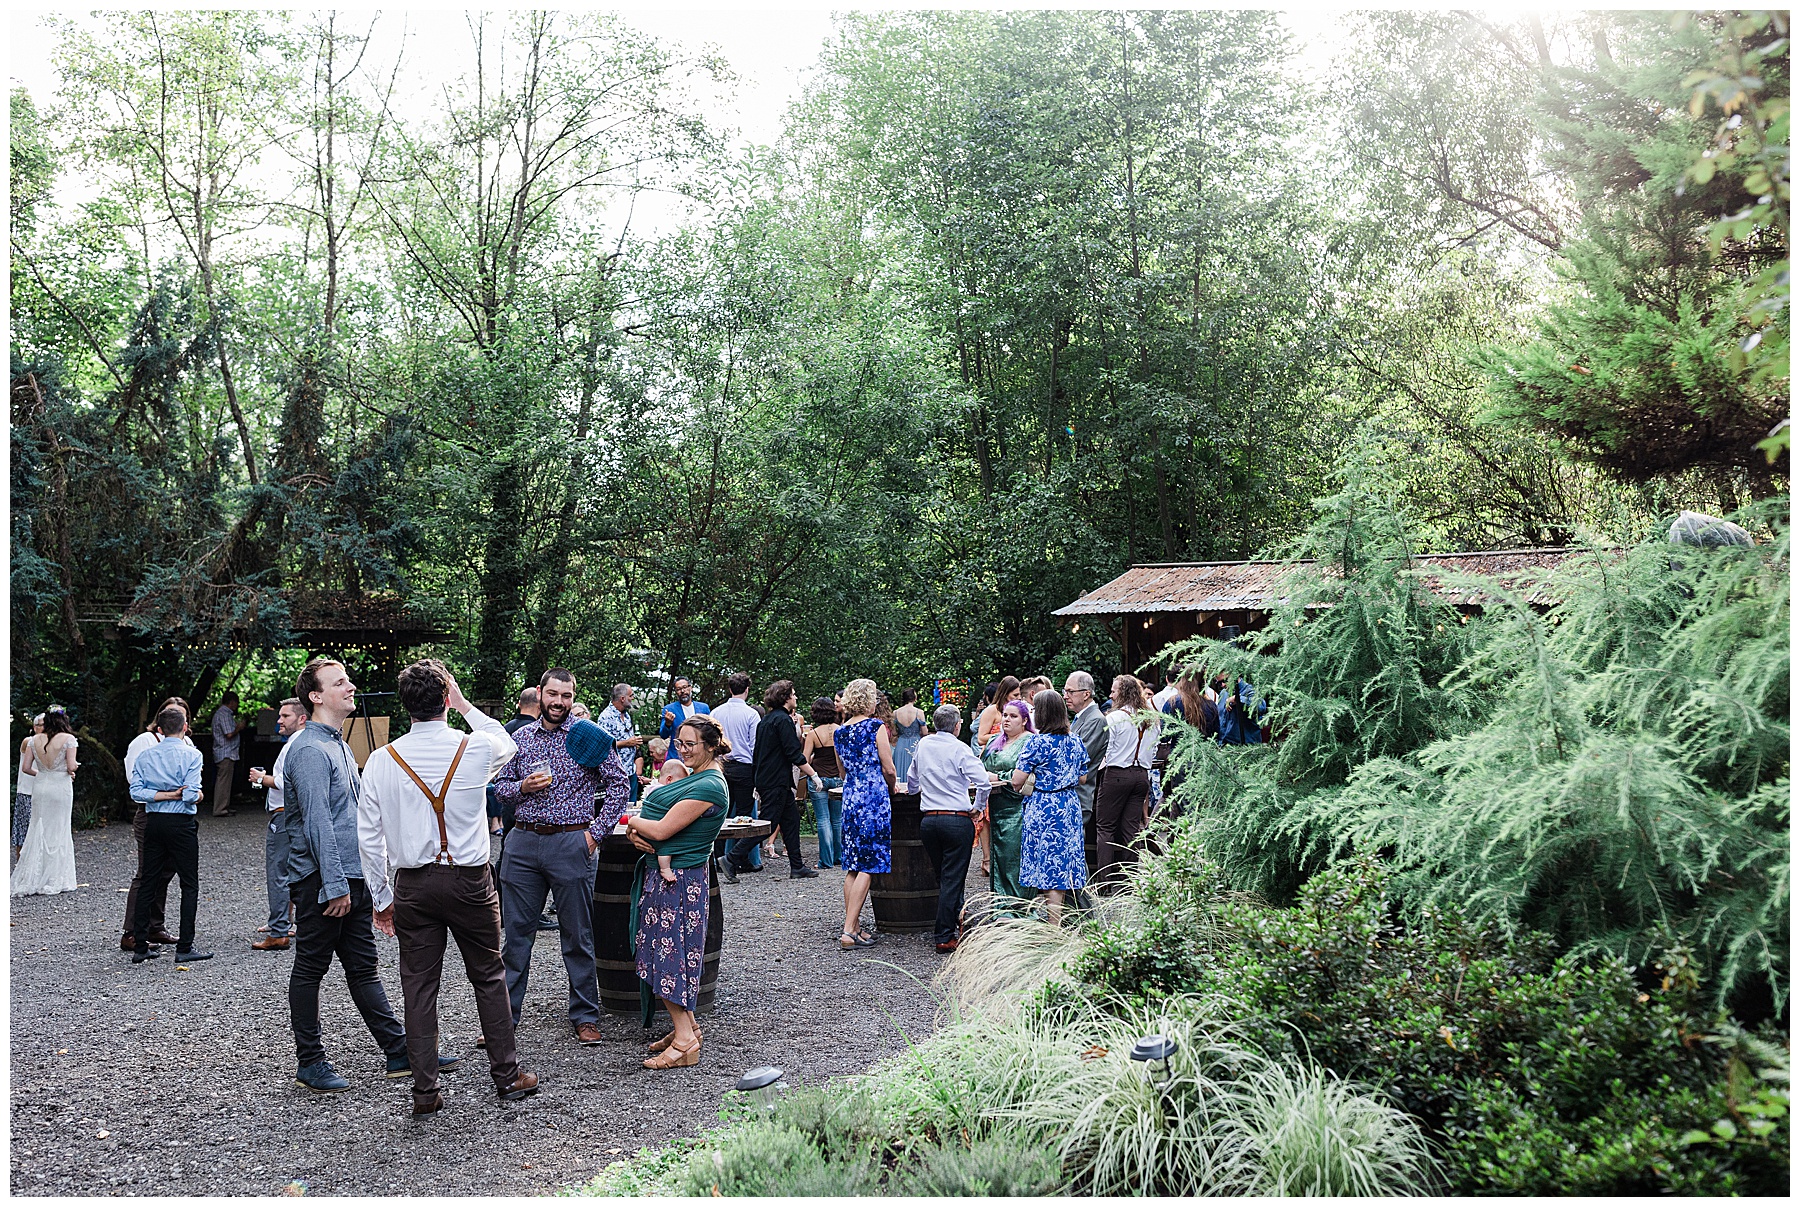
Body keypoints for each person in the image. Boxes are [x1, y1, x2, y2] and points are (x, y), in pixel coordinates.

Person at [359, 659, 538, 1113]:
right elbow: (506, 742)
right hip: (469, 882)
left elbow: (368, 837)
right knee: (489, 975)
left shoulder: (381, 760)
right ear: (444, 699)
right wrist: (464, 704)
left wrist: (382, 899)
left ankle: (424, 1092)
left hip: (413, 886)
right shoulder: (474, 747)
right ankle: (507, 1075)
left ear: (405, 706)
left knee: (418, 987)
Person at [283, 656, 411, 1093]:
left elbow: (350, 818)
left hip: (349, 876)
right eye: (340, 683)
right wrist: (335, 887)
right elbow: (318, 823)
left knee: (363, 968)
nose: (350, 687)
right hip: (322, 881)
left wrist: (368, 882)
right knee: (310, 968)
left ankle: (399, 1050)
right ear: (316, 696)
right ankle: (310, 1061)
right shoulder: (308, 750)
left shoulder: (337, 743)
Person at [489, 667, 612, 1047]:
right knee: (516, 937)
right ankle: (504, 1019)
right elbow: (499, 789)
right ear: (540, 693)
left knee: (578, 935)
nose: (559, 702)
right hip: (523, 843)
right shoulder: (521, 738)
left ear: (573, 697)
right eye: (553, 694)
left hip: (570, 842)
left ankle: (585, 1016)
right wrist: (522, 785)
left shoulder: (588, 737)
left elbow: (619, 784)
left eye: (567, 696)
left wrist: (595, 834)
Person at [625, 715, 732, 1070]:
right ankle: (687, 1028)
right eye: (679, 744)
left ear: (711, 746)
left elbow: (661, 830)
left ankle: (685, 1041)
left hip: (680, 881)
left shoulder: (709, 786)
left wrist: (631, 822)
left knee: (670, 954)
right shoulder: (700, 777)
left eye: (690, 745)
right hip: (673, 876)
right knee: (669, 949)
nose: (682, 751)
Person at [906, 703, 999, 953]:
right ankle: (944, 935)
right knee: (952, 878)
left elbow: (912, 777)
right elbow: (984, 783)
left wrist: (915, 792)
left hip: (929, 821)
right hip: (956, 820)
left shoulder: (923, 745)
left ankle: (957, 918)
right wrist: (977, 807)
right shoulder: (960, 749)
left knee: (943, 875)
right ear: (958, 726)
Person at [125, 705, 213, 961]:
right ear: (185, 727)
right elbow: (189, 796)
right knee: (189, 884)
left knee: (148, 881)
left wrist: (161, 795)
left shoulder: (146, 756)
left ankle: (141, 946)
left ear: (160, 730)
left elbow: (136, 792)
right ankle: (184, 947)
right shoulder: (192, 755)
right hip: (180, 824)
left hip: (153, 821)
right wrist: (192, 794)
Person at [119, 697, 194, 950]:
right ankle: (131, 931)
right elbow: (134, 780)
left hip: (180, 815)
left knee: (167, 872)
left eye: (181, 715)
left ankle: (155, 925)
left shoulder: (189, 745)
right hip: (150, 812)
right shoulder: (144, 742)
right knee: (146, 873)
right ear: (161, 720)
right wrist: (171, 791)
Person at [1011, 689, 1089, 926]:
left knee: (1048, 868)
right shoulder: (1075, 740)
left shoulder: (1037, 743)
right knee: (1063, 863)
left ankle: (1053, 928)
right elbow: (1083, 778)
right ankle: (1061, 921)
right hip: (1068, 805)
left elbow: (1016, 781)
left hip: (1044, 807)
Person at [732, 681, 819, 880]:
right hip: (776, 780)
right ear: (786, 698)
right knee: (767, 825)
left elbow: (759, 752)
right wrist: (812, 774)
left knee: (791, 821)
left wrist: (757, 780)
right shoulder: (783, 721)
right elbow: (792, 753)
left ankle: (797, 866)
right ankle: (731, 857)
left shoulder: (767, 720)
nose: (796, 698)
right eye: (793, 694)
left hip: (769, 778)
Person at [836, 678, 897, 950]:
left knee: (853, 864)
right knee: (869, 864)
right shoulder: (875, 727)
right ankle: (849, 930)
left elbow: (841, 772)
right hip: (873, 797)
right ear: (867, 701)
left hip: (850, 796)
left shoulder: (839, 732)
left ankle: (855, 926)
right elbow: (889, 768)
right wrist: (892, 789)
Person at [248, 697, 308, 950]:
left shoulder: (295, 745)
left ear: (302, 718)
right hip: (295, 815)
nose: (279, 721)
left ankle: (279, 931)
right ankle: (288, 922)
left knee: (278, 873)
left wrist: (262, 779)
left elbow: (287, 782)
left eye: (285, 716)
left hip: (284, 815)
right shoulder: (305, 743)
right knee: (296, 871)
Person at [1095, 674, 1159, 891]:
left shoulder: (1114, 718)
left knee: (1105, 828)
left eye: (1114, 690)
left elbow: (1106, 748)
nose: (1110, 694)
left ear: (1122, 692)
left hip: (1116, 774)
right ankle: (1128, 882)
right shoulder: (1151, 719)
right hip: (1142, 775)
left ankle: (1104, 883)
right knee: (1131, 829)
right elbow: (1154, 749)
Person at [13, 706, 80, 898]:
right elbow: (70, 765)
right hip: (60, 787)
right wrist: (73, 768)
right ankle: (55, 877)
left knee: (38, 826)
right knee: (59, 827)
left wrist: (42, 773)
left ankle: (34, 874)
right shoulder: (69, 739)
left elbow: (26, 768)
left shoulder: (33, 741)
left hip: (40, 786)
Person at [980, 700, 1034, 910]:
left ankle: (1018, 906)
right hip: (996, 805)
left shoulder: (1029, 741)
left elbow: (1030, 775)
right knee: (998, 856)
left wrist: (997, 776)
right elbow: (980, 767)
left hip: (1017, 808)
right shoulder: (995, 740)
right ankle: (1000, 904)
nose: (1007, 720)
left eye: (1013, 716)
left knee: (1014, 856)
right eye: (1005, 715)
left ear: (1024, 721)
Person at [709, 673, 759, 883]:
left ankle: (715, 857)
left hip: (721, 764)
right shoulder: (752, 714)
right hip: (744, 767)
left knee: (721, 811)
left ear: (730, 689)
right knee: (745, 813)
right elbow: (754, 745)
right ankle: (740, 859)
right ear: (747, 689)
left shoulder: (715, 712)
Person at [802, 697, 843, 868]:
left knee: (823, 819)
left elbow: (804, 759)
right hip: (838, 779)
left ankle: (826, 860)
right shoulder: (841, 730)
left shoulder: (813, 734)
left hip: (819, 779)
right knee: (837, 820)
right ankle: (839, 857)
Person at [598, 684, 646, 803]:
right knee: (618, 808)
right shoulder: (606, 717)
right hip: (616, 773)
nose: (633, 698)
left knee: (632, 807)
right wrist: (627, 743)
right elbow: (602, 746)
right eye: (631, 696)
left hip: (630, 771)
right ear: (622, 698)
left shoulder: (626, 715)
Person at [14, 712, 43, 857]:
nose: (43, 728)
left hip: (41, 790)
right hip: (26, 791)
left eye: (46, 725)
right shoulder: (29, 741)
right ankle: (20, 861)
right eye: (40, 725)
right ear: (34, 727)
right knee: (24, 829)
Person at [209, 691, 241, 816]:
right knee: (223, 781)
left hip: (225, 751)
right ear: (232, 702)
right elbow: (229, 734)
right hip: (226, 752)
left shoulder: (221, 714)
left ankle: (224, 806)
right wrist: (239, 727)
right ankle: (220, 809)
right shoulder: (224, 714)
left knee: (225, 781)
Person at [657, 677, 710, 747]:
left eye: (685, 687)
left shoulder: (703, 708)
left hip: (699, 752)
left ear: (690, 688)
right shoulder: (669, 709)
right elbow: (663, 735)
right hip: (677, 753)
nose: (682, 691)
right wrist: (668, 724)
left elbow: (710, 731)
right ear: (675, 692)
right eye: (678, 689)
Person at [1216, 673, 1265, 746]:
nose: (1223, 685)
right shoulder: (1223, 694)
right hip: (1226, 747)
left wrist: (1239, 699)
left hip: (1246, 747)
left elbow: (1261, 706)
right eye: (1219, 683)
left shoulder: (1250, 691)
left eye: (1225, 680)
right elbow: (1221, 721)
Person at [891, 689, 926, 782]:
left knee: (900, 770)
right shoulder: (919, 712)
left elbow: (894, 733)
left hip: (901, 744)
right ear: (914, 698)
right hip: (915, 743)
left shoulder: (895, 713)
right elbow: (925, 732)